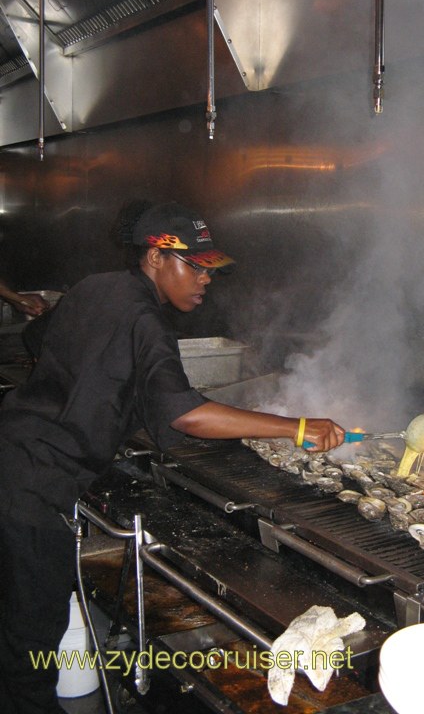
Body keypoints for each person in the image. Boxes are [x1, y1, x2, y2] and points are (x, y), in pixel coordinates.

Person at [0, 200, 345, 714]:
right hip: (34, 485)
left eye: (209, 268)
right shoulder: (145, 318)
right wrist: (297, 427)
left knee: (19, 629)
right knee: (31, 650)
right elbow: (186, 415)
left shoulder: (96, 286)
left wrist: (114, 398)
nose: (205, 279)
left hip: (13, 451)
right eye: (195, 266)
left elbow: (40, 337)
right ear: (156, 258)